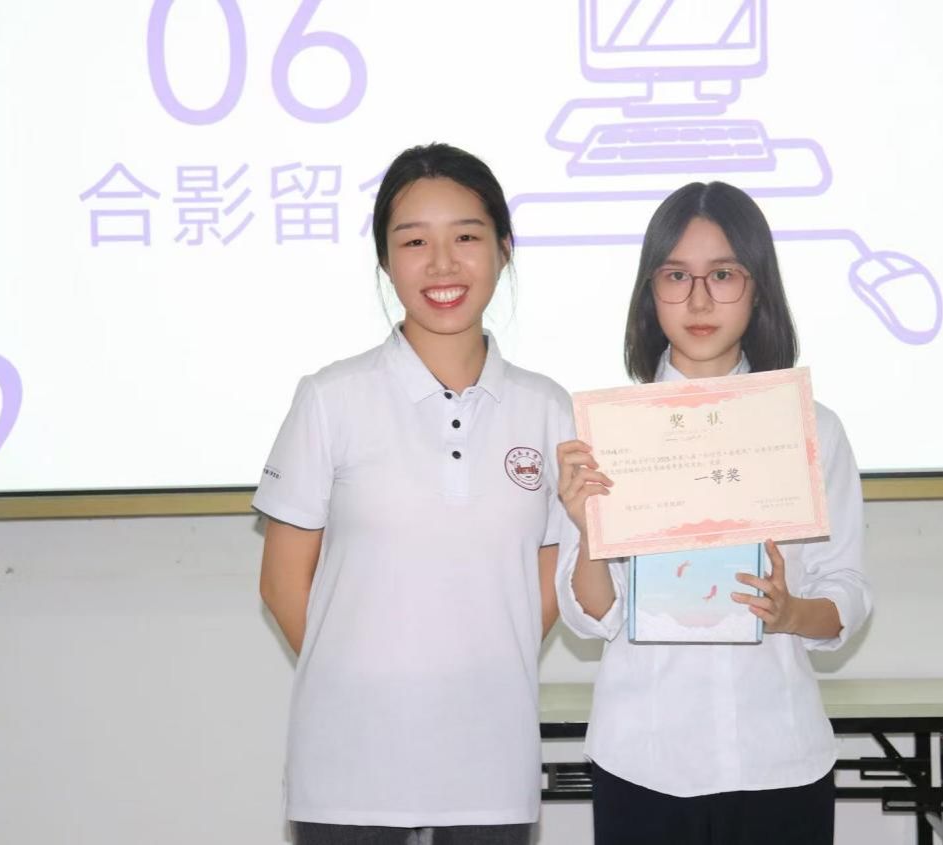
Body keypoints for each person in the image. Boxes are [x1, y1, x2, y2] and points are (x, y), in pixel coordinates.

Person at [255, 143, 572, 845]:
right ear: (384, 260)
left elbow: (549, 579)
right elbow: (281, 583)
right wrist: (367, 684)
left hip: (491, 757)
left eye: (466, 237)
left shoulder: (548, 408)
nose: (442, 265)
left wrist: (473, 675)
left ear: (505, 249)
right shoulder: (331, 398)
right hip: (349, 759)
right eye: (414, 242)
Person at [555, 181, 872, 845]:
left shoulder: (811, 429)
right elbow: (594, 619)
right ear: (650, 292)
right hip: (642, 760)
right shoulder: (609, 432)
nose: (699, 300)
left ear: (758, 288)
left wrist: (789, 612)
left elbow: (846, 594)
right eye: (676, 275)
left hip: (778, 757)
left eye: (723, 274)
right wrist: (588, 532)